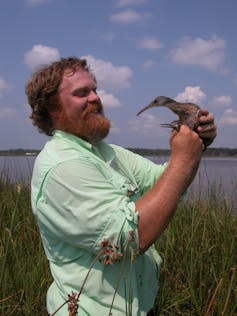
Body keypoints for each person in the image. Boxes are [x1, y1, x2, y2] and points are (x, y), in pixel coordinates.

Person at [25, 57, 217, 316]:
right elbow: (126, 241)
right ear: (53, 109)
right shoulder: (62, 166)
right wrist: (184, 159)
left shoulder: (107, 152)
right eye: (82, 92)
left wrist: (196, 144)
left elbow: (165, 181)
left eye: (94, 89)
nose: (95, 98)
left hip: (139, 305)